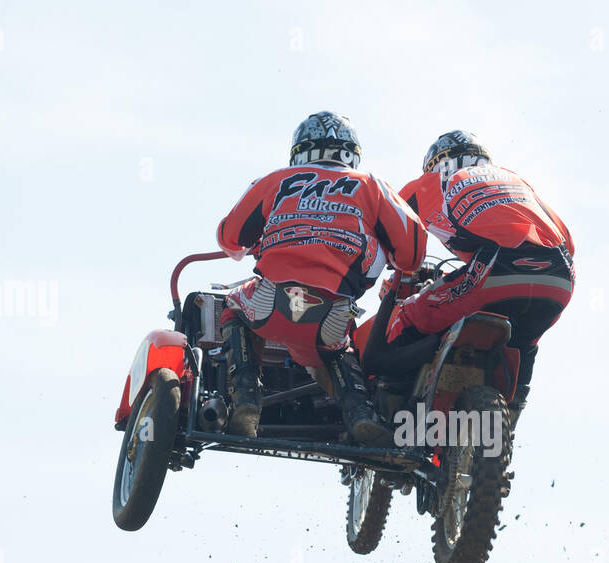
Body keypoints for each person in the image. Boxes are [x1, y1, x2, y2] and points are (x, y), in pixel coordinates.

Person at [215, 111, 427, 445]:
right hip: (331, 310)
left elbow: (230, 236)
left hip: (272, 300)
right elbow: (413, 250)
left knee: (231, 306)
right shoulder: (372, 185)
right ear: (351, 152)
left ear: (299, 149)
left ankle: (246, 400)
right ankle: (361, 415)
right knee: (339, 348)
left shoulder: (276, 179)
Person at [381, 130, 575, 426]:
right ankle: (506, 428)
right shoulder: (515, 180)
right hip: (560, 275)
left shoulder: (434, 180)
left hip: (498, 268)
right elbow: (568, 244)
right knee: (526, 344)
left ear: (436, 163)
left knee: (409, 314)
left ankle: (391, 414)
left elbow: (390, 230)